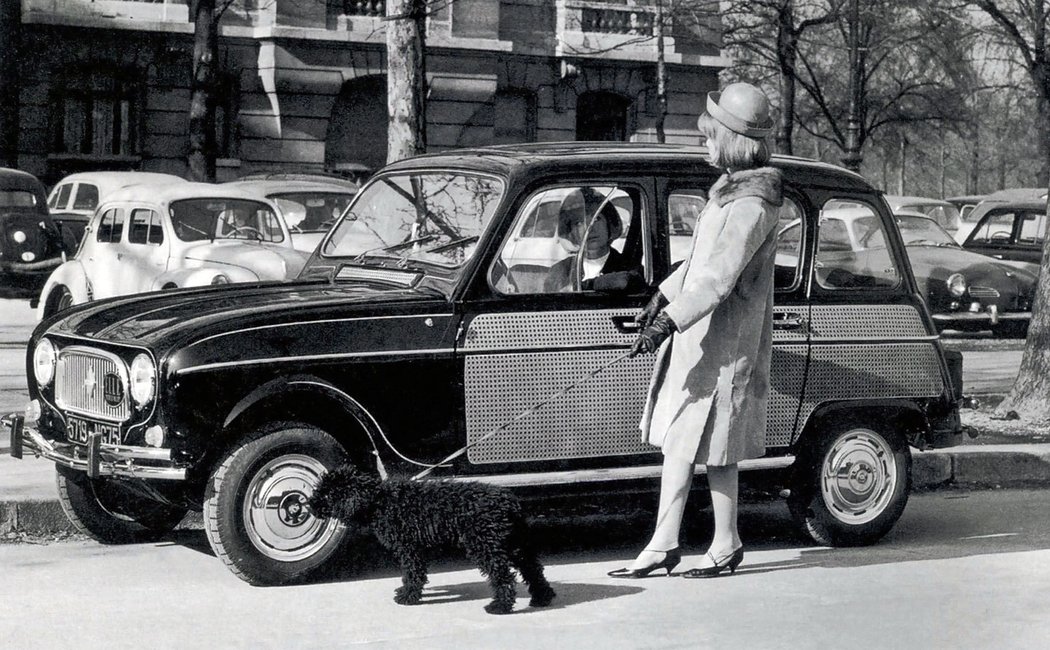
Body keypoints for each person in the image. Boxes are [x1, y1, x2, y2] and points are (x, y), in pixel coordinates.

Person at [607, 82, 783, 579]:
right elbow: (696, 263)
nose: (703, 145)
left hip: (725, 344)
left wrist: (670, 320)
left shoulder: (752, 204)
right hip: (699, 338)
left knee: (718, 449)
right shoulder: (727, 194)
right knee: (681, 442)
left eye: (710, 137)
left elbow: (719, 277)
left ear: (733, 140)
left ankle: (726, 543)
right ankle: (664, 542)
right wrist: (661, 296)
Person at [544, 189, 642, 293]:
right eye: (579, 223)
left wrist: (583, 286)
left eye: (596, 219)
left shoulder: (629, 268)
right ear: (570, 232)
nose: (589, 228)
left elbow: (625, 282)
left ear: (609, 223)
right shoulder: (559, 271)